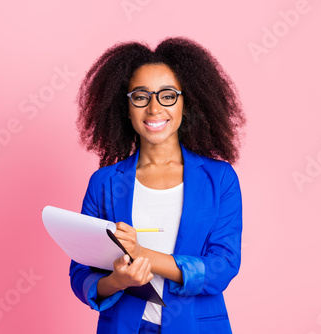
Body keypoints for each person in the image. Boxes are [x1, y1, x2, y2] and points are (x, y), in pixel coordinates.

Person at [69, 37, 245, 334]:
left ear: (185, 103)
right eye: (140, 96)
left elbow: (222, 267)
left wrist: (143, 254)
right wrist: (118, 281)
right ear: (125, 107)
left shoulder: (219, 178)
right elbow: (81, 274)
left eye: (167, 95)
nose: (154, 108)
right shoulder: (105, 183)